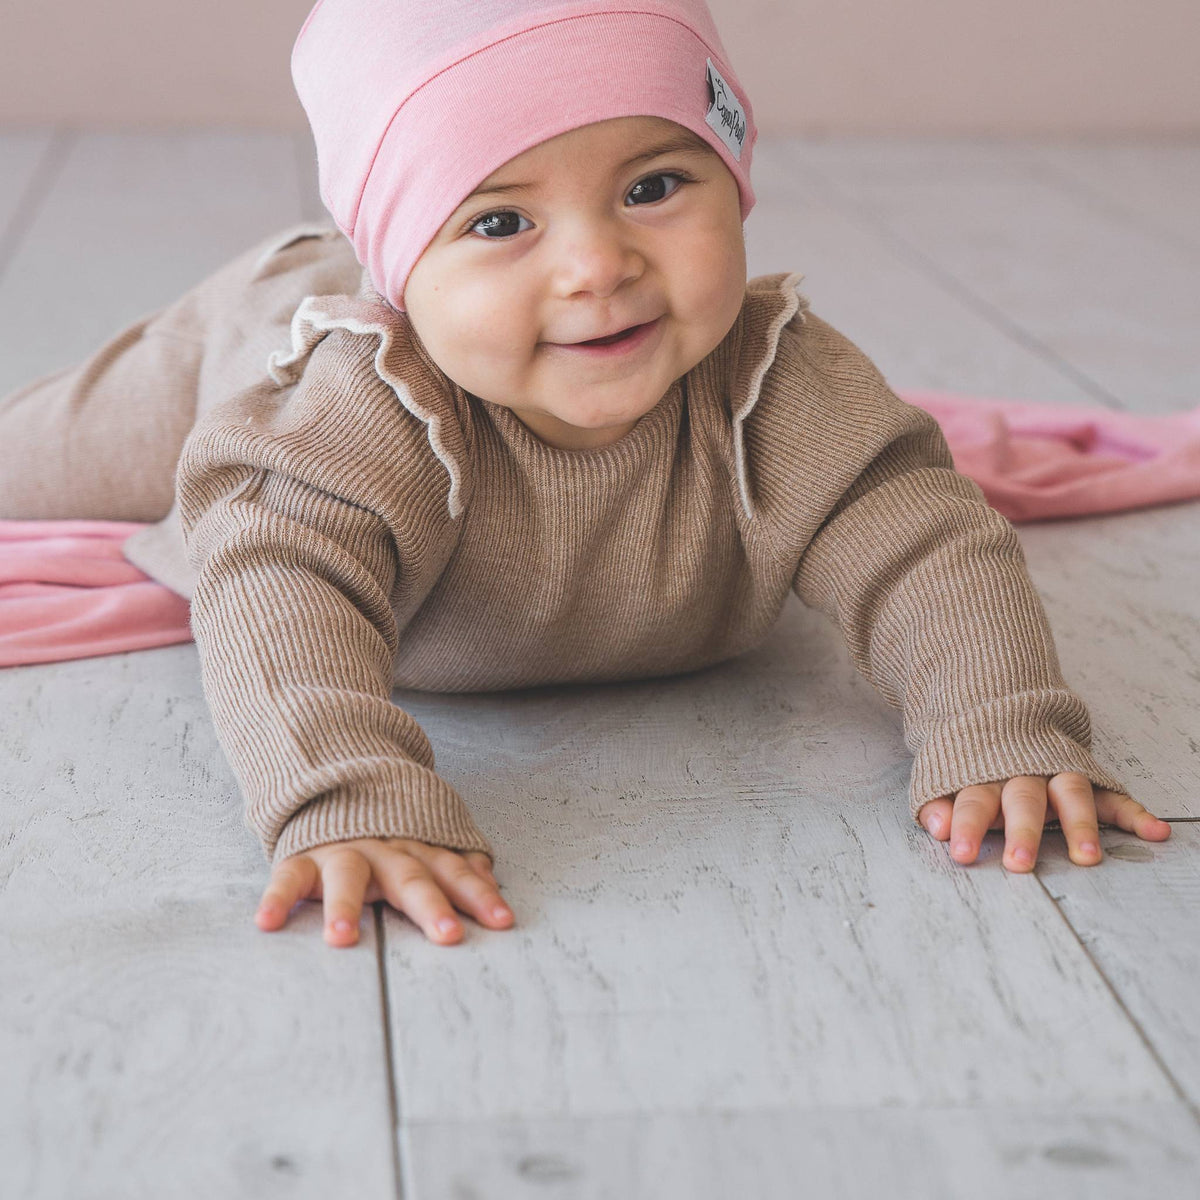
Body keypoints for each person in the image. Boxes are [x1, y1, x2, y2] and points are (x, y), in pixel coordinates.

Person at [0, 0, 1171, 949]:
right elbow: (274, 591)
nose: (598, 265)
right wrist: (346, 797)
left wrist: (1001, 726)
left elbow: (928, 546)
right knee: (38, 456)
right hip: (242, 332)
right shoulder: (356, 418)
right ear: (402, 273)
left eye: (655, 188)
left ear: (736, 178)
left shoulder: (780, 385)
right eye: (502, 221)